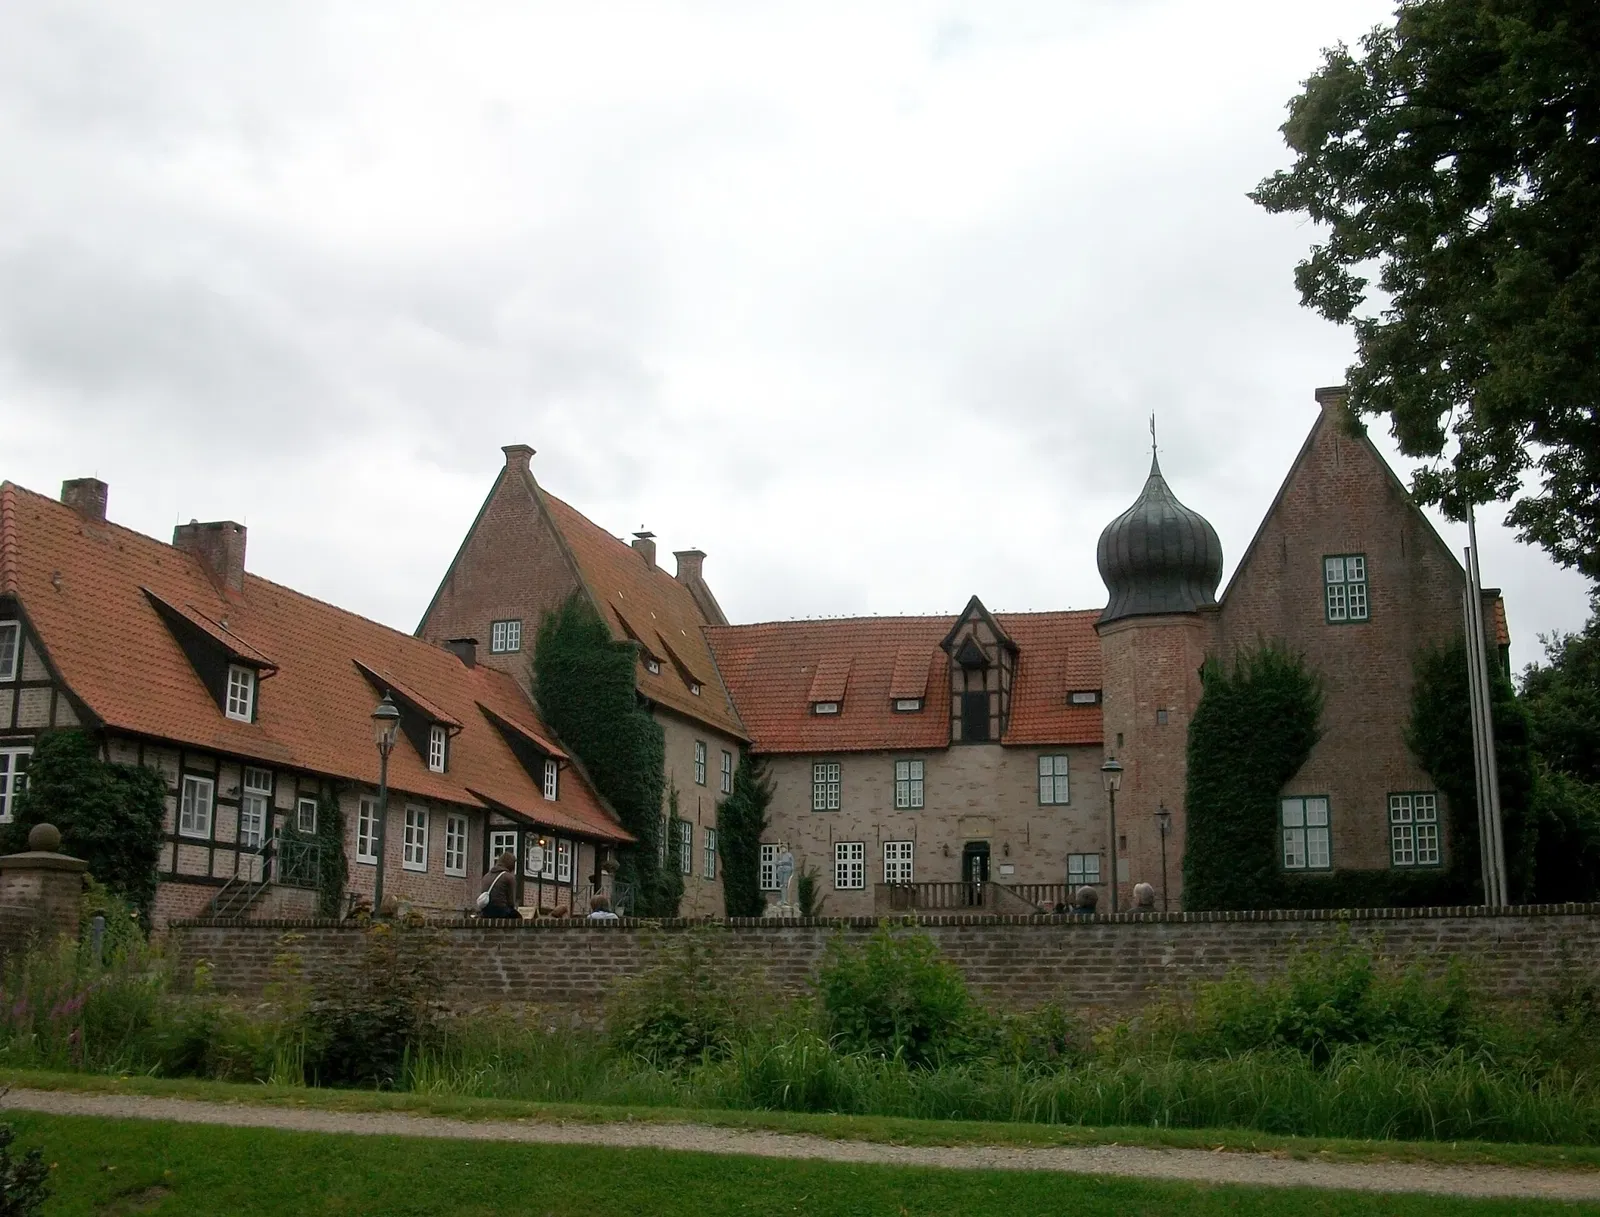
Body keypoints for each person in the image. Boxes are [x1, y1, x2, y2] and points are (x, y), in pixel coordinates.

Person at [479, 851, 521, 920]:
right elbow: (511, 902)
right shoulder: (508, 877)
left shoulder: (486, 876)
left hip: (485, 911)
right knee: (518, 918)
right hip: (501, 911)